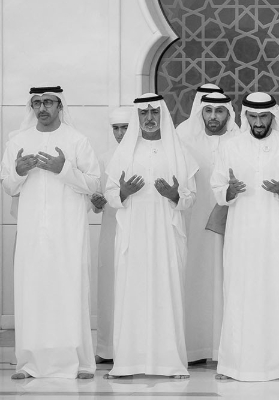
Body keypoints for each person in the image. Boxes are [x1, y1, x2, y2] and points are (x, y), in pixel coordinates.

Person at [1, 86, 102, 379]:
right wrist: (18, 171)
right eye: (37, 103)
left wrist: (64, 169)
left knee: (69, 289)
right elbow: (8, 185)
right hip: (33, 231)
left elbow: (94, 184)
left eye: (48, 102)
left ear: (60, 105)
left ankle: (79, 362)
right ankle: (29, 363)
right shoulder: (18, 141)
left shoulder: (77, 141)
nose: (42, 108)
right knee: (31, 290)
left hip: (68, 231)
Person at [212, 93, 279, 381]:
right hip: (240, 236)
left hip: (276, 236)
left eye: (263, 117)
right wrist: (229, 191)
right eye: (252, 117)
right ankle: (234, 365)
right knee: (240, 293)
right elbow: (216, 185)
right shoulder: (231, 147)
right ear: (245, 117)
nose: (257, 122)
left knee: (278, 291)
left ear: (273, 116)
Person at [104, 93, 197, 379]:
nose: (149, 118)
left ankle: (170, 362)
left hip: (166, 234)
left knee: (166, 292)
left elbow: (191, 195)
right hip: (133, 233)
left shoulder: (178, 150)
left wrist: (173, 195)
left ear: (162, 114)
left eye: (154, 112)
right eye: (143, 113)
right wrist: (123, 193)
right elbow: (110, 194)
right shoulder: (124, 152)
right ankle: (129, 363)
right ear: (137, 116)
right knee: (131, 293)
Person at [176, 86, 237, 363]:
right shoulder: (183, 139)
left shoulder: (240, 139)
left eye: (219, 110)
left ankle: (227, 348)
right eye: (208, 110)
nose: (213, 116)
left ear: (228, 113)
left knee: (231, 279)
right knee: (196, 279)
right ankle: (196, 347)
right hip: (194, 222)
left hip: (234, 222)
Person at [94, 106, 133, 363]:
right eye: (115, 129)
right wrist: (97, 201)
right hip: (111, 228)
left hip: (136, 229)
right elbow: (97, 200)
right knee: (110, 287)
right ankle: (106, 349)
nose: (119, 133)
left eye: (124, 128)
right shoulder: (105, 157)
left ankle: (131, 347)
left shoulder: (147, 154)